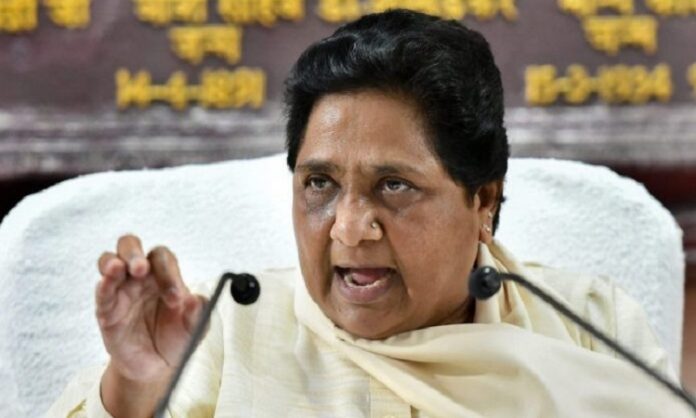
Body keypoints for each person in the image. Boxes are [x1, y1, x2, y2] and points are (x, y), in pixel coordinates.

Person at [48, 9, 690, 418]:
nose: (350, 228)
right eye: (320, 184)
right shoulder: (218, 332)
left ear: (483, 200)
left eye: (394, 186)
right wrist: (132, 392)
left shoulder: (590, 324)